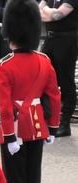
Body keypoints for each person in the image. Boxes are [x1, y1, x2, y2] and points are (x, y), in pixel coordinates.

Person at [0, 0, 61, 183]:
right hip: (37, 127)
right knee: (33, 180)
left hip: (16, 130)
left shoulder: (4, 66)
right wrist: (52, 127)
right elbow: (54, 96)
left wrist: (10, 136)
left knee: (15, 182)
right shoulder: (44, 60)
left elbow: (4, 106)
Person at [40, 0, 77, 137]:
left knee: (66, 82)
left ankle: (65, 123)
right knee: (44, 79)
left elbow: (58, 15)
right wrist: (50, 13)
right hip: (50, 40)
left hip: (66, 41)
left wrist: (47, 11)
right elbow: (39, 14)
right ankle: (48, 119)